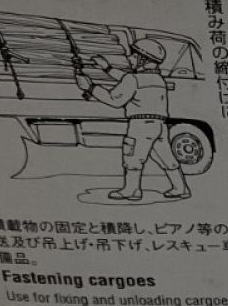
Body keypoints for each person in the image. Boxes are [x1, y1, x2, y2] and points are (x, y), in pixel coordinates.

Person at [76, 37, 191, 201]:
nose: (129, 58)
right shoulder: (157, 80)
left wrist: (91, 87)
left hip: (140, 125)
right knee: (165, 157)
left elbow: (115, 100)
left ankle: (132, 190)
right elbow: (127, 79)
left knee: (133, 157)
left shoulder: (133, 80)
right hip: (159, 125)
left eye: (134, 55)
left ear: (143, 59)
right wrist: (107, 68)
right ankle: (180, 188)